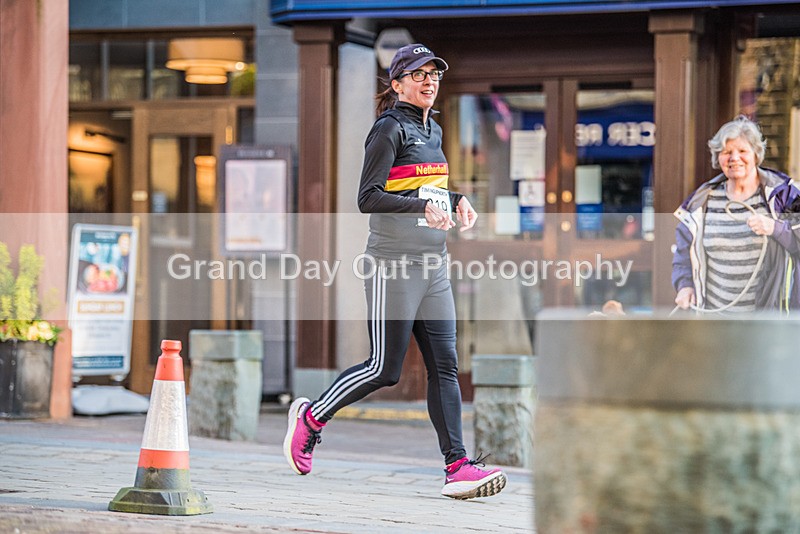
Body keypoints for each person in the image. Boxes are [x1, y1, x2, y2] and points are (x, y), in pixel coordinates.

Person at [283, 43, 507, 500]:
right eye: (419, 74)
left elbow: (425, 187)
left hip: (434, 264)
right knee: (384, 368)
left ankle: (457, 466)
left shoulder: (433, 129)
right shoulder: (388, 128)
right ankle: (311, 417)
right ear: (398, 83)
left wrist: (457, 199)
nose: (429, 82)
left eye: (434, 74)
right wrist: (422, 207)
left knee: (445, 365)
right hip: (393, 264)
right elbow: (368, 197)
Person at [672, 115, 800, 312]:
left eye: (742, 151)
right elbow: (683, 252)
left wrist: (776, 228)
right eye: (726, 152)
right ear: (718, 158)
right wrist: (685, 285)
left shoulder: (785, 194)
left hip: (768, 321)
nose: (734, 158)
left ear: (756, 154)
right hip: (715, 320)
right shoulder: (702, 200)